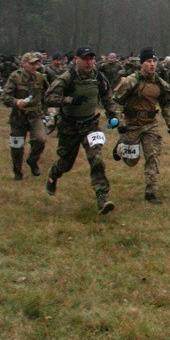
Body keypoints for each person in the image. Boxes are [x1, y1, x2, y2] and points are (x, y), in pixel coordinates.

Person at [44, 45, 120, 215]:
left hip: (91, 124)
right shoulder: (67, 77)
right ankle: (53, 174)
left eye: (91, 58)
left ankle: (102, 198)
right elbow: (48, 97)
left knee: (97, 159)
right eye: (85, 59)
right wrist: (70, 100)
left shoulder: (98, 77)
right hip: (69, 126)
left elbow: (107, 97)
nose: (89, 62)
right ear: (76, 60)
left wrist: (113, 116)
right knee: (66, 163)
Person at [113, 47, 170, 204]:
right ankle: (121, 145)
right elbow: (115, 102)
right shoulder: (130, 81)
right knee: (131, 160)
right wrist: (120, 122)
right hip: (132, 125)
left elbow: (166, 103)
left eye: (154, 61)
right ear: (142, 63)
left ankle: (150, 193)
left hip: (150, 125)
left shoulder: (160, 83)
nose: (152, 64)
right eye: (149, 61)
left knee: (153, 156)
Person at [1, 52, 50, 179]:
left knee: (40, 139)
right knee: (17, 147)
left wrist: (50, 109)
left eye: (37, 63)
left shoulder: (41, 77)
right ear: (23, 64)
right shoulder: (15, 77)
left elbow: (48, 94)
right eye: (32, 63)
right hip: (18, 116)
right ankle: (17, 172)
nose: (35, 66)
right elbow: (5, 97)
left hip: (35, 115)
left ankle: (32, 160)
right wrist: (16, 102)